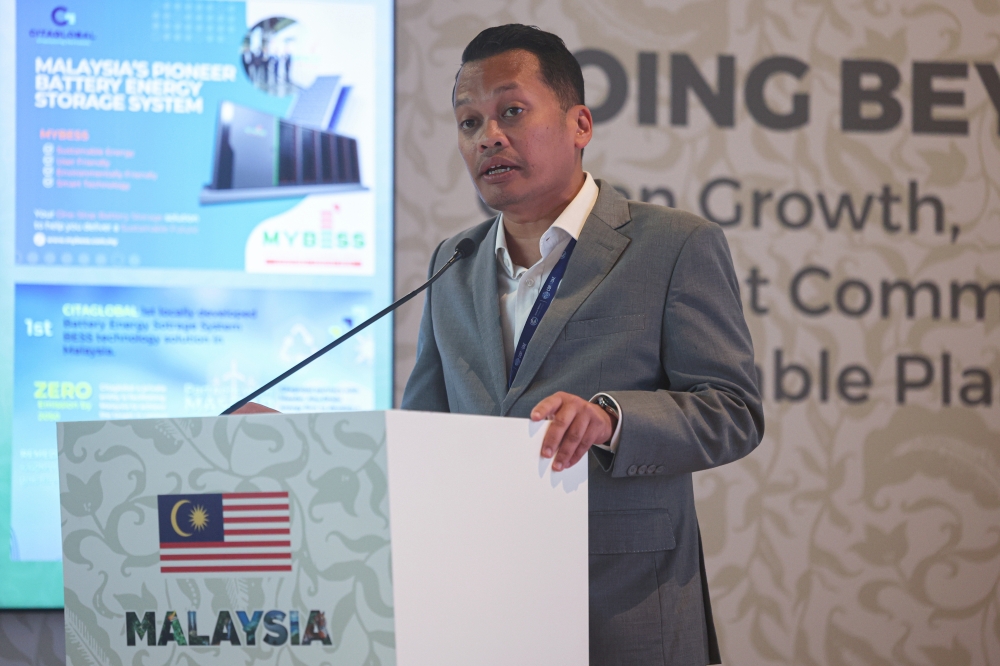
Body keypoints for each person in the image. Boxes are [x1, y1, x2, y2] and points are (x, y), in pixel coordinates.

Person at [400, 24, 764, 665]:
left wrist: (611, 419)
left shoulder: (674, 245)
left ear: (580, 124)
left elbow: (733, 411)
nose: (488, 136)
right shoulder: (451, 262)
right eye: (468, 122)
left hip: (621, 613)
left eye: (511, 111)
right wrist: (316, 444)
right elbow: (425, 432)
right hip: (476, 613)